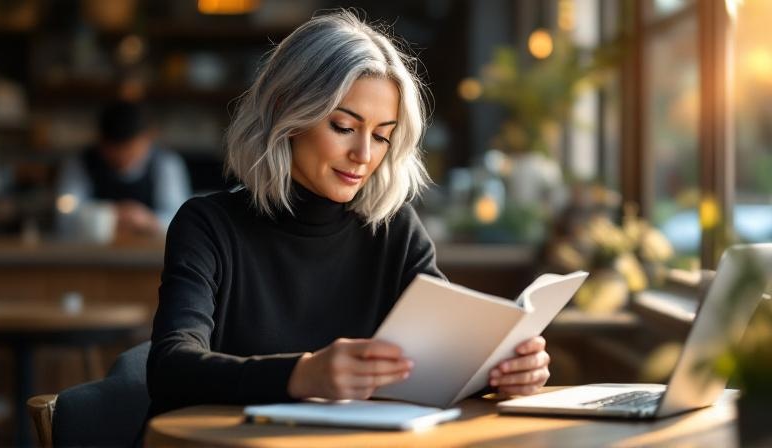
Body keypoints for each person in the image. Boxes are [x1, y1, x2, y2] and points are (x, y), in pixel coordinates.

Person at [147, 10, 550, 417]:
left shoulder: (394, 229)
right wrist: (301, 375)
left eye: (381, 136)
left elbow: (446, 361)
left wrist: (503, 372)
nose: (363, 155)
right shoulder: (208, 225)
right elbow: (169, 368)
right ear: (288, 113)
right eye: (343, 127)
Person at [56, 100, 191, 238]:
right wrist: (109, 215)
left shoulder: (166, 164)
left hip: (153, 255)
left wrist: (148, 220)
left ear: (148, 138)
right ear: (101, 142)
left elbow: (182, 220)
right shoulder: (80, 163)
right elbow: (65, 218)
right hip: (90, 254)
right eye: (115, 151)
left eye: (131, 150)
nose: (123, 158)